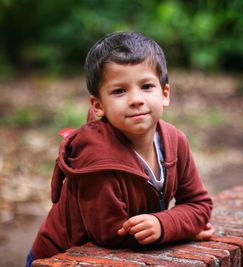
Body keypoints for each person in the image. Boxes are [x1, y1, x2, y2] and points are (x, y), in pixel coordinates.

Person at [26, 31, 213, 266]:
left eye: (146, 86)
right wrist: (179, 230)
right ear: (98, 105)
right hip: (59, 257)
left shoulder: (175, 141)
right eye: (119, 91)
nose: (136, 99)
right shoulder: (96, 159)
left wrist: (165, 225)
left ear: (165, 94)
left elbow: (200, 205)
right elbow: (111, 235)